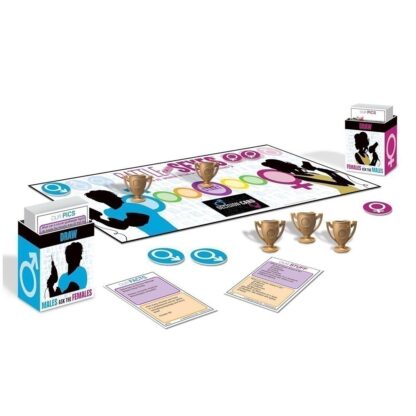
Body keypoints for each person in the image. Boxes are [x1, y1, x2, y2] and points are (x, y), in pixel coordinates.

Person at [85, 189, 177, 236]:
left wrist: (99, 219)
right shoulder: (112, 211)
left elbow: (124, 226)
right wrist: (99, 219)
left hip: (166, 231)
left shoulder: (132, 207)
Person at [261, 158, 358, 194]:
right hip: (342, 187)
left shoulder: (301, 171)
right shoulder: (301, 174)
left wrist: (312, 169)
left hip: (342, 186)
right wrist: (313, 169)